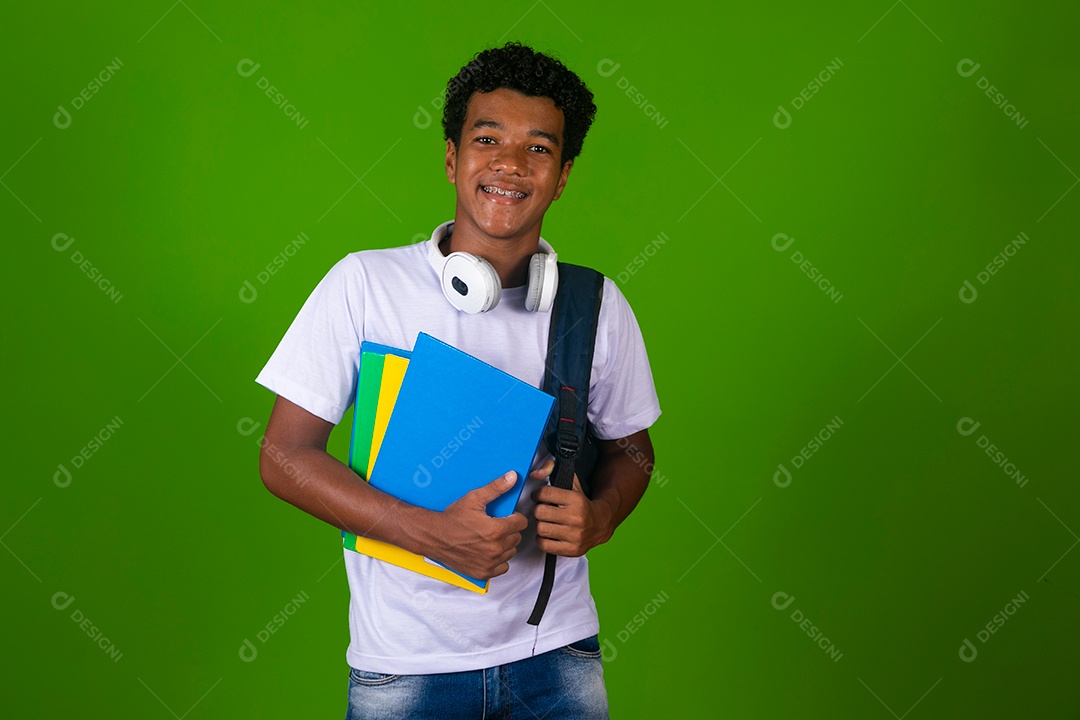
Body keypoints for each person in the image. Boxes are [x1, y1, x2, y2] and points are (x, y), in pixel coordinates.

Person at [256, 42, 660, 719]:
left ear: (562, 176)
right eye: (487, 138)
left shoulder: (594, 305)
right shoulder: (365, 283)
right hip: (408, 670)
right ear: (452, 157)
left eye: (538, 148)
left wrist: (602, 514)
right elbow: (282, 455)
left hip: (556, 654)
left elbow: (634, 450)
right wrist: (426, 531)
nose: (509, 162)